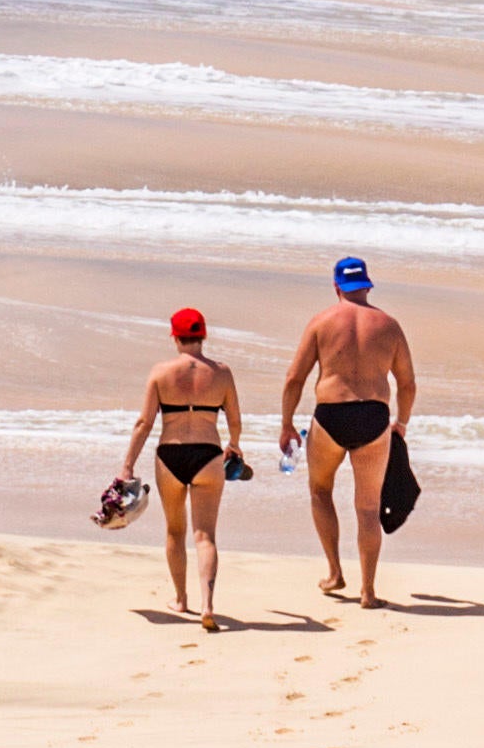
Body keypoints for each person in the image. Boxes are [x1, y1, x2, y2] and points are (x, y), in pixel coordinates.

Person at [279, 255, 419, 606]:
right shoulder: (389, 326)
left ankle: (334, 572)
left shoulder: (320, 322)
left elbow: (294, 378)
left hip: (330, 418)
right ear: (367, 285)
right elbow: (408, 383)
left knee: (320, 491)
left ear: (336, 286)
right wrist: (401, 423)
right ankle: (368, 592)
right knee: (368, 509)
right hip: (374, 418)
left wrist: (286, 424)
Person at [113, 307, 246, 628]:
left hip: (170, 457)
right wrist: (235, 445)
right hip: (209, 455)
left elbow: (144, 422)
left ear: (174, 336)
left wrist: (127, 465)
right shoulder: (223, 373)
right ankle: (207, 604)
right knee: (206, 537)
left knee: (175, 530)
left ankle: (181, 599)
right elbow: (235, 420)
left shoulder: (160, 372)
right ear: (203, 335)